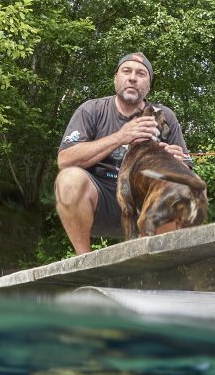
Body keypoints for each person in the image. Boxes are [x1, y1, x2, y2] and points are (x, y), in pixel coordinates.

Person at [54, 52, 192, 255]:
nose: (133, 78)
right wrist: (121, 136)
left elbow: (187, 169)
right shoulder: (91, 110)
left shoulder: (164, 116)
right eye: (126, 71)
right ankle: (84, 261)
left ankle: (153, 260)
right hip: (101, 200)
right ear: (116, 78)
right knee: (69, 179)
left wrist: (176, 163)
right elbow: (65, 160)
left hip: (145, 203)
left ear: (148, 85)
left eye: (141, 74)